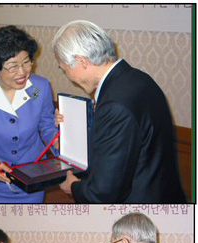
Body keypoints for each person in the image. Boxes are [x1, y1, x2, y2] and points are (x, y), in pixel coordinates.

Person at [52, 20, 187, 203]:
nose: (68, 77)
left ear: (81, 62)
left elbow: (104, 193)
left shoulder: (114, 105)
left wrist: (73, 187)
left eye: (65, 69)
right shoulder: (138, 79)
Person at [0, 26, 59, 203]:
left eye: (26, 62)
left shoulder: (41, 87)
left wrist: (61, 144)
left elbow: (47, 126)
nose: (22, 72)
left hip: (32, 175)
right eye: (13, 67)